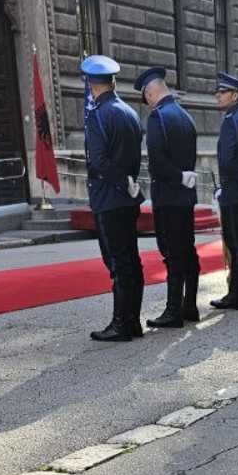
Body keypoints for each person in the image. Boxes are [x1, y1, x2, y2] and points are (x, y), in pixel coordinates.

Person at [81, 54, 145, 344]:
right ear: (112, 81)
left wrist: (119, 181)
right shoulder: (129, 112)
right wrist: (128, 182)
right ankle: (132, 321)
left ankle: (121, 324)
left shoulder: (98, 116)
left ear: (91, 85)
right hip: (127, 197)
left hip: (109, 198)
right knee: (130, 260)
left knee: (118, 263)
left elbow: (98, 161)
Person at [134, 65, 200, 329]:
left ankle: (174, 310)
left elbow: (158, 164)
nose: (148, 103)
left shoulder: (158, 118)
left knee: (172, 254)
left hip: (169, 197)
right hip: (185, 198)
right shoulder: (186, 116)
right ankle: (190, 305)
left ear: (151, 94)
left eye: (146, 97)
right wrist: (184, 177)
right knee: (188, 251)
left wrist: (175, 177)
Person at [210, 71, 238, 311]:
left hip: (234, 191)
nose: (218, 95)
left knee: (236, 245)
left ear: (235, 95)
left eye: (222, 92)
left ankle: (237, 294)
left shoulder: (232, 121)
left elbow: (228, 162)